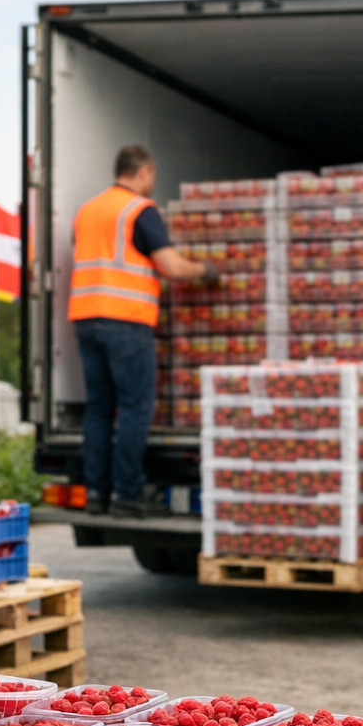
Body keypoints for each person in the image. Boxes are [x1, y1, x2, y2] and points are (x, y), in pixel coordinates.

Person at [69, 144, 217, 518]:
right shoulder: (140, 211)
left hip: (85, 317)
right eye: (152, 175)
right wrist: (205, 271)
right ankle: (127, 494)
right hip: (126, 320)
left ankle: (96, 495)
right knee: (135, 408)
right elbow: (171, 267)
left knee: (100, 410)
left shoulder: (88, 210)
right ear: (144, 171)